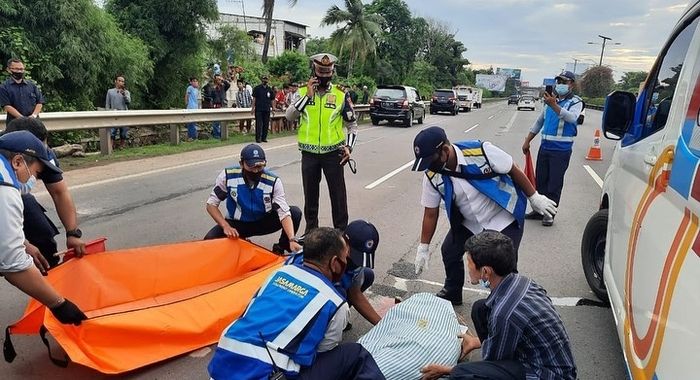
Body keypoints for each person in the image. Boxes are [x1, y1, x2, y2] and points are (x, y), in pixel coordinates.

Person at [208, 227, 385, 380]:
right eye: (345, 258)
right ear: (335, 262)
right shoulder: (335, 302)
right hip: (266, 374)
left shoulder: (278, 274)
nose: (347, 263)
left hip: (221, 365)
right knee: (353, 354)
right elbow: (320, 354)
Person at [411, 126, 557, 306]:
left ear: (445, 151)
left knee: (502, 264)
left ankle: (508, 303)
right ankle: (452, 291)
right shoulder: (432, 175)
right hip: (470, 220)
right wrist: (423, 247)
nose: (429, 167)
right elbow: (430, 213)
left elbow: (513, 168)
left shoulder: (480, 151)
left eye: (430, 161)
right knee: (449, 250)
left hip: (502, 215)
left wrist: (534, 197)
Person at [420, 231, 577, 380]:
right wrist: (477, 342)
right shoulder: (522, 281)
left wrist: (447, 371)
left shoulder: (504, 314)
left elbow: (491, 367)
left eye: (469, 263)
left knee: (465, 374)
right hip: (546, 359)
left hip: (550, 374)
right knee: (480, 308)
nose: (468, 268)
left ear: (486, 272)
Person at [0, 131, 87, 326]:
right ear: (18, 162)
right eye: (36, 173)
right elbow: (13, 266)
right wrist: (59, 304)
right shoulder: (5, 190)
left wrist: (24, 243)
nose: (34, 180)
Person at [285, 53, 358, 233]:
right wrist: (307, 97)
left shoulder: (341, 94)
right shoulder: (302, 91)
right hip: (309, 154)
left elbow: (352, 125)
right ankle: (311, 233)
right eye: (320, 72)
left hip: (334, 154)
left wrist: (348, 147)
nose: (324, 76)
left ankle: (341, 233)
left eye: (328, 72)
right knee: (310, 196)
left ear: (332, 72)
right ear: (314, 70)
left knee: (338, 196)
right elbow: (289, 116)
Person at [3, 117, 86, 269]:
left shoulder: (43, 154)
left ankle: (50, 274)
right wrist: (22, 245)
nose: (44, 153)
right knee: (10, 259)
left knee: (41, 238)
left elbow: (59, 193)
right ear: (17, 159)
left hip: (16, 196)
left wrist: (72, 234)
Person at [204, 143, 303, 255]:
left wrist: (291, 239)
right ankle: (239, 242)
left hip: (263, 221)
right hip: (237, 224)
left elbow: (283, 212)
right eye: (252, 167)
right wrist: (225, 226)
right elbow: (211, 204)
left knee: (294, 212)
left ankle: (282, 246)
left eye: (260, 167)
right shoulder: (227, 176)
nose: (256, 171)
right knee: (209, 239)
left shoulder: (273, 181)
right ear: (241, 164)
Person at [286, 219, 382, 326]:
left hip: (324, 286)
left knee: (367, 275)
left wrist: (382, 325)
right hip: (300, 294)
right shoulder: (322, 250)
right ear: (344, 242)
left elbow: (355, 294)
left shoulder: (354, 264)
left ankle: (336, 319)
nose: (357, 263)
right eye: (354, 254)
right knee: (339, 292)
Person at [521, 71, 583, 226]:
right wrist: (527, 140)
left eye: (565, 81)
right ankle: (538, 210)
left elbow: (572, 118)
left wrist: (554, 104)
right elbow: (539, 122)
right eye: (559, 81)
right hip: (545, 147)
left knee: (554, 184)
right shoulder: (549, 101)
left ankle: (549, 214)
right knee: (540, 181)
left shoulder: (576, 102)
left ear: (572, 84)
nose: (561, 84)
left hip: (561, 150)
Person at [0, 58, 45, 124]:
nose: (19, 71)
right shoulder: (4, 87)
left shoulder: (32, 85)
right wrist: (23, 119)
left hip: (34, 123)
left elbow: (40, 102)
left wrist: (33, 116)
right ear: (9, 70)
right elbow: (7, 106)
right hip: (15, 124)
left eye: (21, 69)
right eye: (16, 69)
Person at [105, 74, 131, 149]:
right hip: (114, 113)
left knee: (123, 131)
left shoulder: (126, 92)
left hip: (124, 113)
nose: (121, 82)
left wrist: (124, 94)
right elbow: (107, 104)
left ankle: (122, 146)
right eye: (119, 81)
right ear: (115, 81)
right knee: (112, 131)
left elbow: (128, 102)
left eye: (122, 81)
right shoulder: (110, 91)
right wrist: (107, 113)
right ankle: (111, 146)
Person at [203, 73, 231, 139]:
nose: (219, 80)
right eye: (217, 79)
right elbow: (209, 94)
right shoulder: (212, 87)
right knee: (216, 121)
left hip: (223, 105)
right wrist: (214, 88)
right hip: (216, 105)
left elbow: (228, 85)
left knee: (223, 121)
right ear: (215, 80)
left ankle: (223, 134)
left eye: (219, 79)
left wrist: (222, 80)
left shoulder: (223, 86)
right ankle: (216, 135)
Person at [251, 75, 274, 143]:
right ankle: (258, 138)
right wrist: (252, 108)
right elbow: (254, 99)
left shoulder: (269, 89)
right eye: (264, 79)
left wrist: (273, 108)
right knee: (259, 124)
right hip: (259, 109)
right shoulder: (257, 88)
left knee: (266, 124)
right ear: (261, 80)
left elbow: (272, 99)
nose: (265, 81)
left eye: (266, 79)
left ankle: (264, 138)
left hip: (267, 109)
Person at [184, 77, 200, 141]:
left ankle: (192, 136)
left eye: (196, 81)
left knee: (193, 122)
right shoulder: (190, 88)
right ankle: (192, 137)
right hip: (190, 107)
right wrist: (186, 104)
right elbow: (186, 96)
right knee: (191, 123)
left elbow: (197, 99)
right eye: (193, 81)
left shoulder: (197, 89)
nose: (195, 82)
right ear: (191, 82)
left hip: (195, 107)